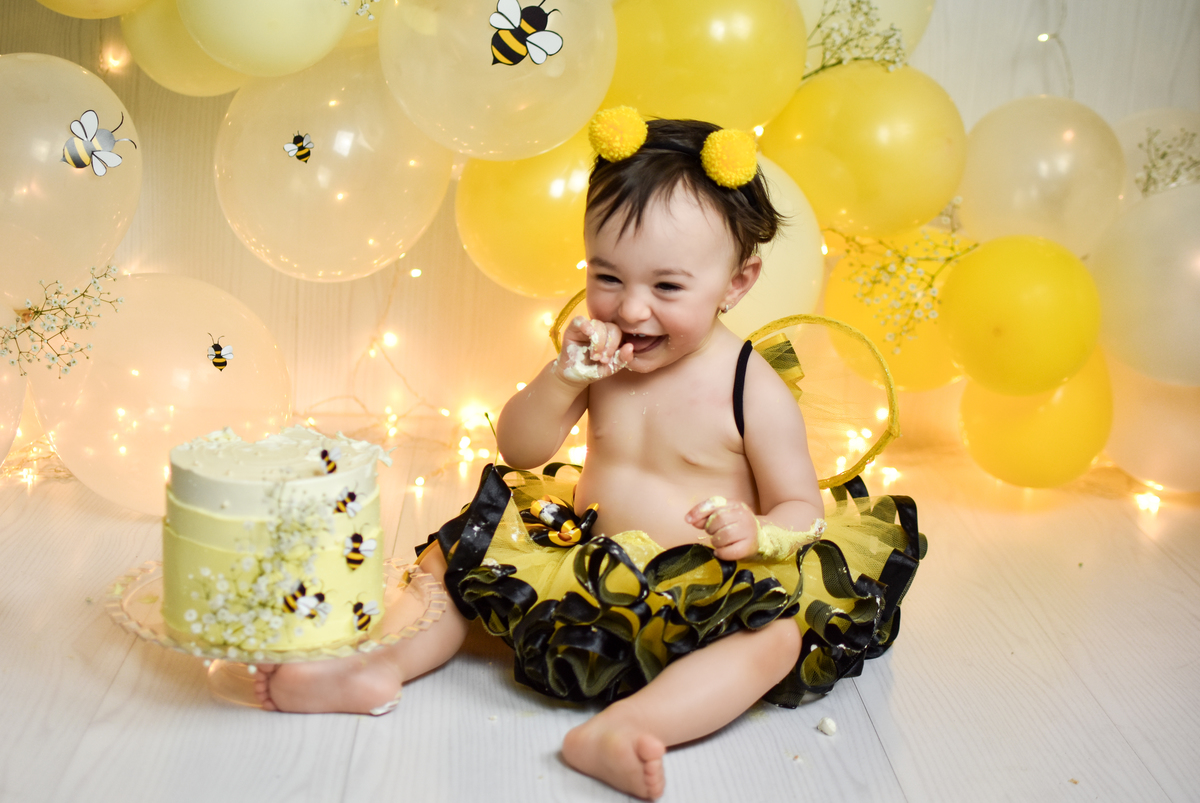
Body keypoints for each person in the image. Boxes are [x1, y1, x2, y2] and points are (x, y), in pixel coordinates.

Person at [254, 108, 924, 802]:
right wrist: (563, 378)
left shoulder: (750, 387)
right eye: (608, 276)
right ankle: (375, 666)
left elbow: (802, 506)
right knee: (451, 561)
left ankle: (631, 727)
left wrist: (757, 531)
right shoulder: (599, 358)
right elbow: (520, 448)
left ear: (736, 282)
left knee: (776, 638)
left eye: (667, 287)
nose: (631, 310)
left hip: (703, 588)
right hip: (583, 558)